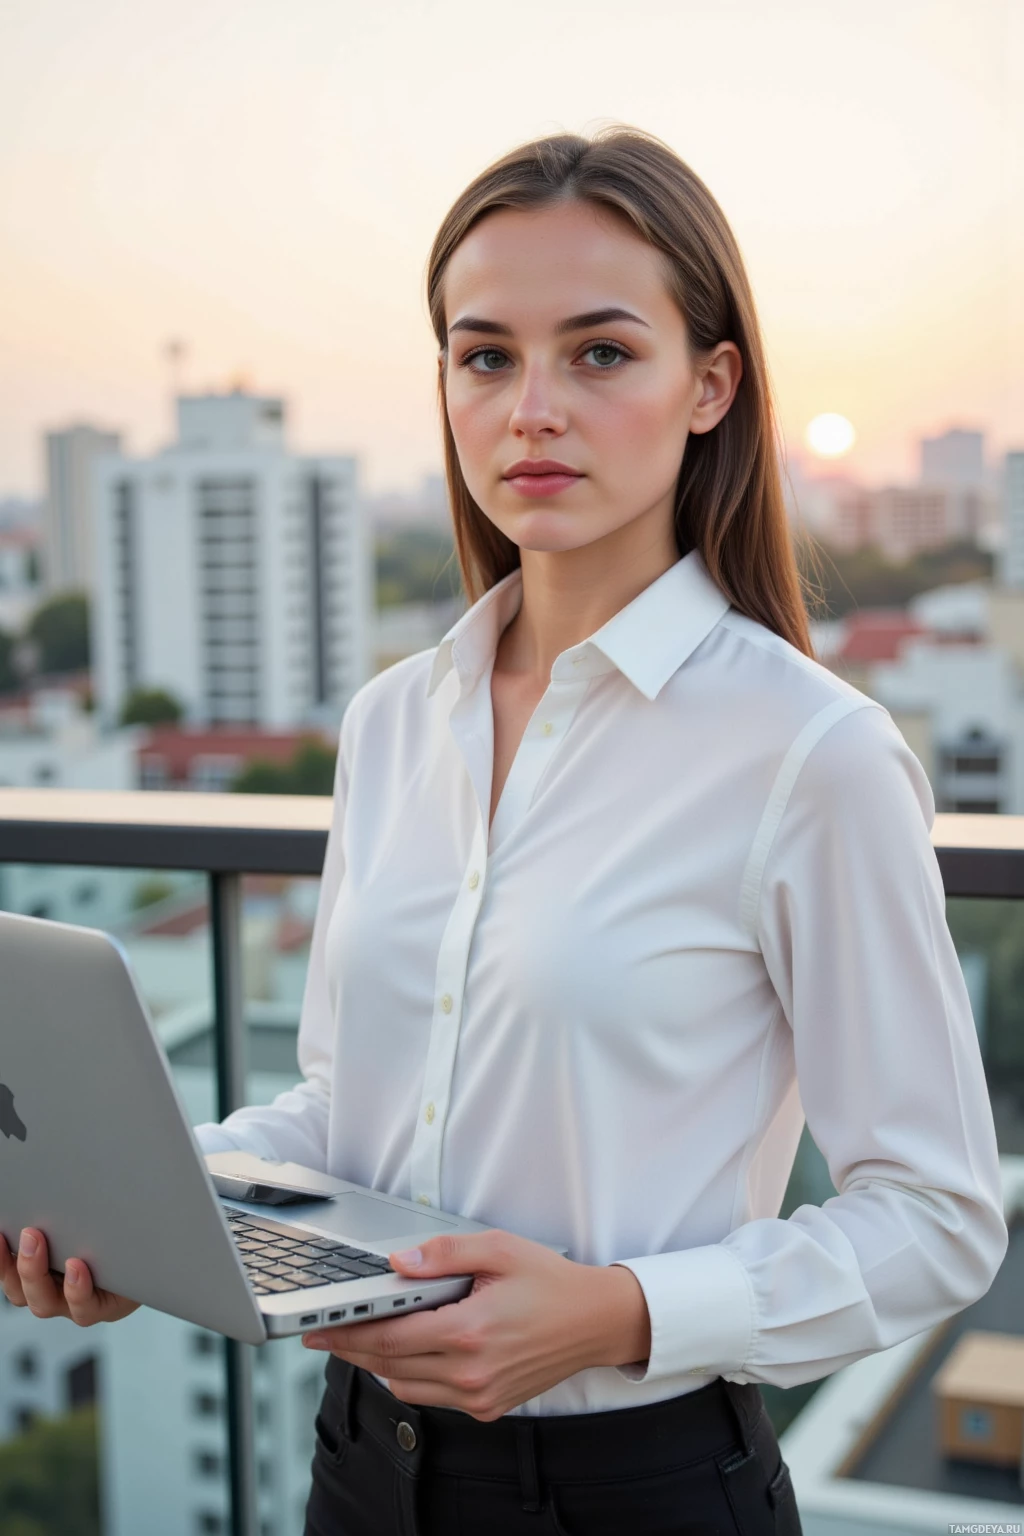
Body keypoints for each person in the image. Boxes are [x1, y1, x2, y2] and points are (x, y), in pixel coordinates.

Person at [2, 127, 1008, 1536]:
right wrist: (154, 1213)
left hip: (639, 1489)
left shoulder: (812, 753)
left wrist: (612, 1315)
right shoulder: (394, 723)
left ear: (711, 384)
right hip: (361, 1465)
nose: (533, 407)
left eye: (599, 353)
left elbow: (937, 1218)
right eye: (486, 357)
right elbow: (350, 1111)